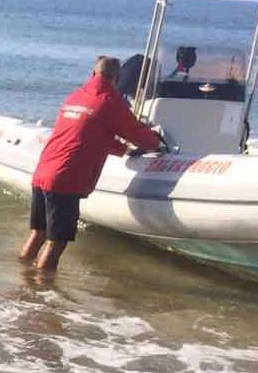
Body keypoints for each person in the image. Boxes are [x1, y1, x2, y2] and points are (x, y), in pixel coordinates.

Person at [22, 55, 163, 272]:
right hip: (65, 179)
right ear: (117, 79)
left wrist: (124, 150)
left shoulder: (75, 97)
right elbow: (137, 133)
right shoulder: (109, 101)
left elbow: (90, 135)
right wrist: (156, 143)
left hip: (43, 172)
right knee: (56, 242)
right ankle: (40, 291)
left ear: (93, 73)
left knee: (39, 233)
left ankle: (22, 273)